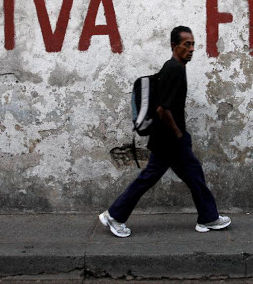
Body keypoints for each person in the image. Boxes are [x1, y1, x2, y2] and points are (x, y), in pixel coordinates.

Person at [99, 26, 231, 237]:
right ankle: (114, 215)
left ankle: (208, 217)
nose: (192, 49)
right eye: (186, 44)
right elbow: (163, 109)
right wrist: (180, 136)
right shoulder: (174, 69)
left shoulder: (175, 66)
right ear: (174, 46)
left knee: (194, 174)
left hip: (168, 139)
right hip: (169, 140)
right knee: (151, 178)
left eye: (193, 44)